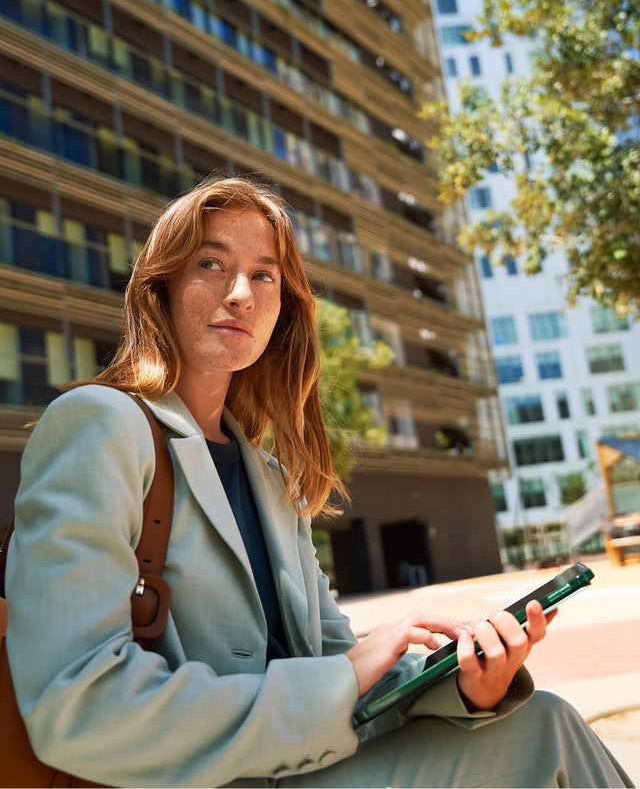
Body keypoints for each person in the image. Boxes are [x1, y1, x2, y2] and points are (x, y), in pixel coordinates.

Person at [6, 176, 633, 788]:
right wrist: (348, 675)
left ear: (283, 309)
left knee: (541, 716)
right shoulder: (99, 424)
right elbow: (76, 705)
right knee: (547, 736)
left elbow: (336, 664)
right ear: (161, 287)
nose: (240, 294)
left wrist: (465, 685)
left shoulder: (270, 477)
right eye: (210, 264)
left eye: (264, 276)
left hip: (303, 770)